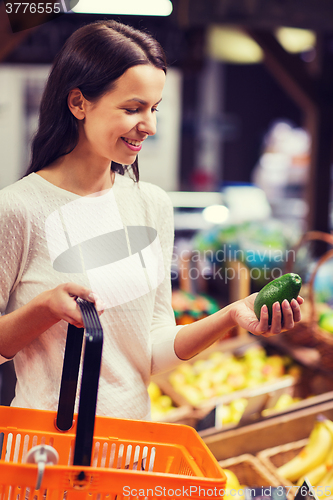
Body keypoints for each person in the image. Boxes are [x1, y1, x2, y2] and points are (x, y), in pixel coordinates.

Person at [0, 20, 303, 419]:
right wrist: (45, 309)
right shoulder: (18, 209)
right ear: (78, 103)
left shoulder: (152, 205)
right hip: (48, 451)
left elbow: (153, 349)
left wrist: (231, 315)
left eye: (154, 108)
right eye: (133, 108)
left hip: (134, 448)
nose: (150, 126)